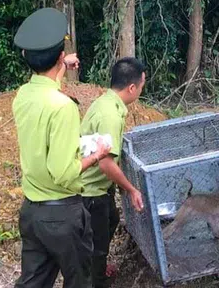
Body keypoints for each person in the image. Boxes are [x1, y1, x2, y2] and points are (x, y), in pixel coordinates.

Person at [12, 7, 111, 288]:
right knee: (80, 280)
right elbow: (64, 173)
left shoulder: (22, 96)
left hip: (32, 212)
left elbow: (41, 81)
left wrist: (58, 65)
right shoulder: (63, 108)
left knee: (33, 282)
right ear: (59, 57)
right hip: (63, 215)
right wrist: (97, 155)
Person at [81, 57, 145, 288]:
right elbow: (106, 164)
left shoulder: (106, 102)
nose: (141, 90)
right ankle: (96, 280)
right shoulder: (110, 115)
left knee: (112, 219)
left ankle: (94, 267)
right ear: (131, 87)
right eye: (141, 85)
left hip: (99, 187)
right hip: (89, 190)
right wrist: (131, 189)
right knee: (97, 244)